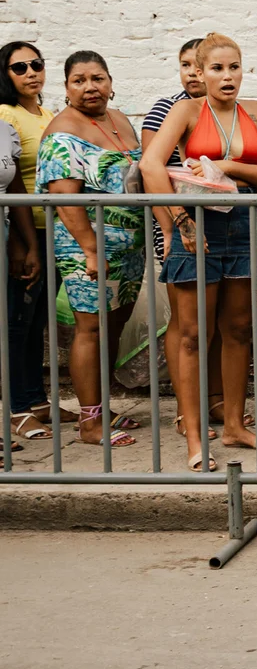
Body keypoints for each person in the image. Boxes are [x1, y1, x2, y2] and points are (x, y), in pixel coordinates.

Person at [140, 33, 257, 469]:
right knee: (192, 334)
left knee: (240, 327)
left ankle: (235, 426)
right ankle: (193, 436)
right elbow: (151, 164)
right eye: (217, 69)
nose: (227, 76)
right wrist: (176, 224)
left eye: (234, 67)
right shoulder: (186, 110)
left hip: (242, 221)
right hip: (196, 223)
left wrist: (226, 167)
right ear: (199, 73)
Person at [37, 52, 147, 449]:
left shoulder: (119, 119)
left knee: (113, 324)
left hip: (129, 245)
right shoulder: (62, 132)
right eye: (79, 81)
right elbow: (65, 201)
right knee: (90, 327)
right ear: (66, 88)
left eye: (97, 78)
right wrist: (91, 250)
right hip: (86, 245)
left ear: (110, 80)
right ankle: (89, 424)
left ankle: (102, 407)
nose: (89, 87)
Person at [141, 37, 225, 438]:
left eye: (198, 65)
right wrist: (171, 227)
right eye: (185, 65)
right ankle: (182, 409)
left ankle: (211, 400)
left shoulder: (218, 112)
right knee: (185, 322)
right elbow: (150, 174)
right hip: (177, 226)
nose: (192, 73)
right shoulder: (167, 109)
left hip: (218, 224)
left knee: (214, 322)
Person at [0, 42, 52, 442]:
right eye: (20, 68)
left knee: (38, 321)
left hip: (51, 228)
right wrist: (22, 243)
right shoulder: (6, 115)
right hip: (26, 229)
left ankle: (37, 400)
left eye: (36, 64)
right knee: (18, 321)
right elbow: (14, 179)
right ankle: (17, 407)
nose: (31, 72)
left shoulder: (45, 113)